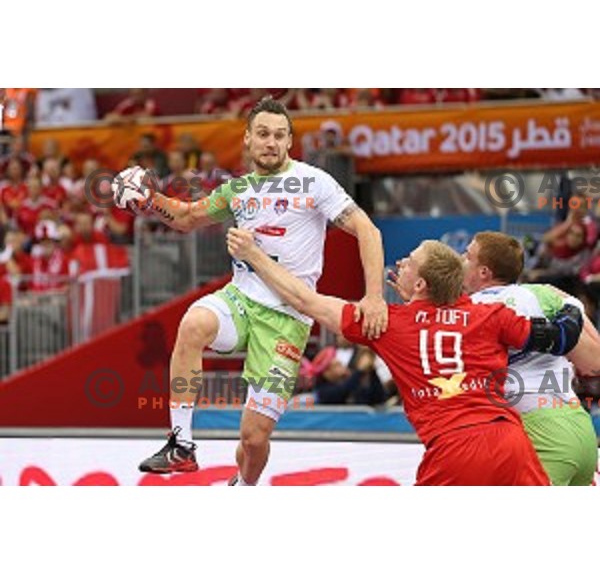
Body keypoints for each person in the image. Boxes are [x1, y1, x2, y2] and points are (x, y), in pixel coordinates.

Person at [112, 96, 388, 484]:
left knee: (253, 438)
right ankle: (181, 443)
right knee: (193, 325)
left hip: (288, 319)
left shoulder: (314, 182)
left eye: (279, 135)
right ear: (247, 139)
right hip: (240, 298)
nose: (271, 142)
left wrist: (373, 297)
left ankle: (245, 486)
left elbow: (367, 230)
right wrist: (151, 200)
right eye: (263, 134)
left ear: (290, 141)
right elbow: (189, 217)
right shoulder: (237, 189)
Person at [226, 229, 585, 485]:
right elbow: (560, 337)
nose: (401, 261)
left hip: (454, 451)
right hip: (510, 442)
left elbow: (305, 300)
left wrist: (255, 255)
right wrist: (572, 305)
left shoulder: (388, 324)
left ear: (419, 285)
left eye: (410, 260)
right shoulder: (488, 314)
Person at [463, 231, 598, 485]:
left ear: (484, 272)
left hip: (539, 432)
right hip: (580, 426)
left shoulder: (468, 308)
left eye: (467, 256)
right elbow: (595, 363)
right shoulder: (543, 294)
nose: (461, 260)